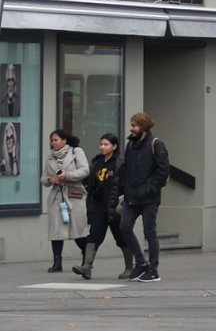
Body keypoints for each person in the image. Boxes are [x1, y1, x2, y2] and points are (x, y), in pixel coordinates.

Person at [73, 134, 133, 280]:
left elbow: (126, 184)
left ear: (114, 146)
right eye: (101, 144)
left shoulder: (120, 163)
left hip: (114, 206)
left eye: (106, 144)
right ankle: (87, 266)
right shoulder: (97, 161)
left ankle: (130, 267)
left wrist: (123, 202)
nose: (102, 147)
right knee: (94, 236)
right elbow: (89, 180)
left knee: (121, 237)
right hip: (98, 206)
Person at [120, 112, 170, 283]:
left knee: (150, 232)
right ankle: (141, 262)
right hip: (131, 197)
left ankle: (153, 270)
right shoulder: (131, 146)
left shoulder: (156, 144)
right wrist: (124, 190)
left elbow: (163, 170)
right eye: (131, 125)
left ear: (143, 126)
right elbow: (126, 168)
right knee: (124, 227)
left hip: (149, 198)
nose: (131, 129)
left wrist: (150, 188)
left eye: (134, 125)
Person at [42, 130, 89, 273]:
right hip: (57, 195)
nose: (53, 143)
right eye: (51, 140)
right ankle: (57, 262)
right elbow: (43, 178)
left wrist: (67, 175)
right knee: (56, 230)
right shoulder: (51, 158)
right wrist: (51, 180)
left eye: (55, 140)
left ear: (64, 140)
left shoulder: (76, 152)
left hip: (75, 194)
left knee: (78, 229)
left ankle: (86, 259)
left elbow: (85, 170)